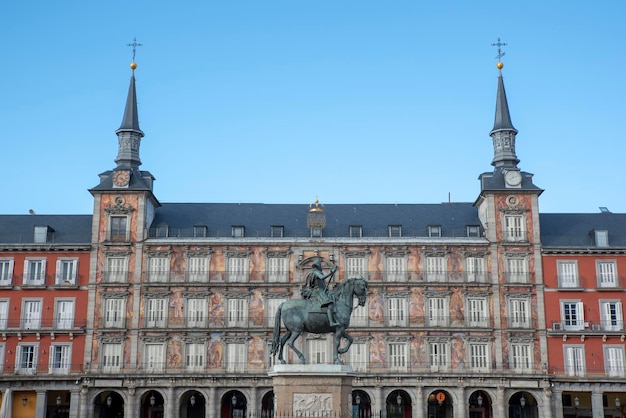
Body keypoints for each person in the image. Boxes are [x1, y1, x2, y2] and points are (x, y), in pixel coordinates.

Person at [305, 259, 339, 326]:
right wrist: (331, 272)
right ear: (318, 266)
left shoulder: (313, 272)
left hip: (319, 290)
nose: (321, 267)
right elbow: (322, 277)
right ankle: (331, 322)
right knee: (330, 304)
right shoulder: (316, 272)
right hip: (318, 291)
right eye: (320, 265)